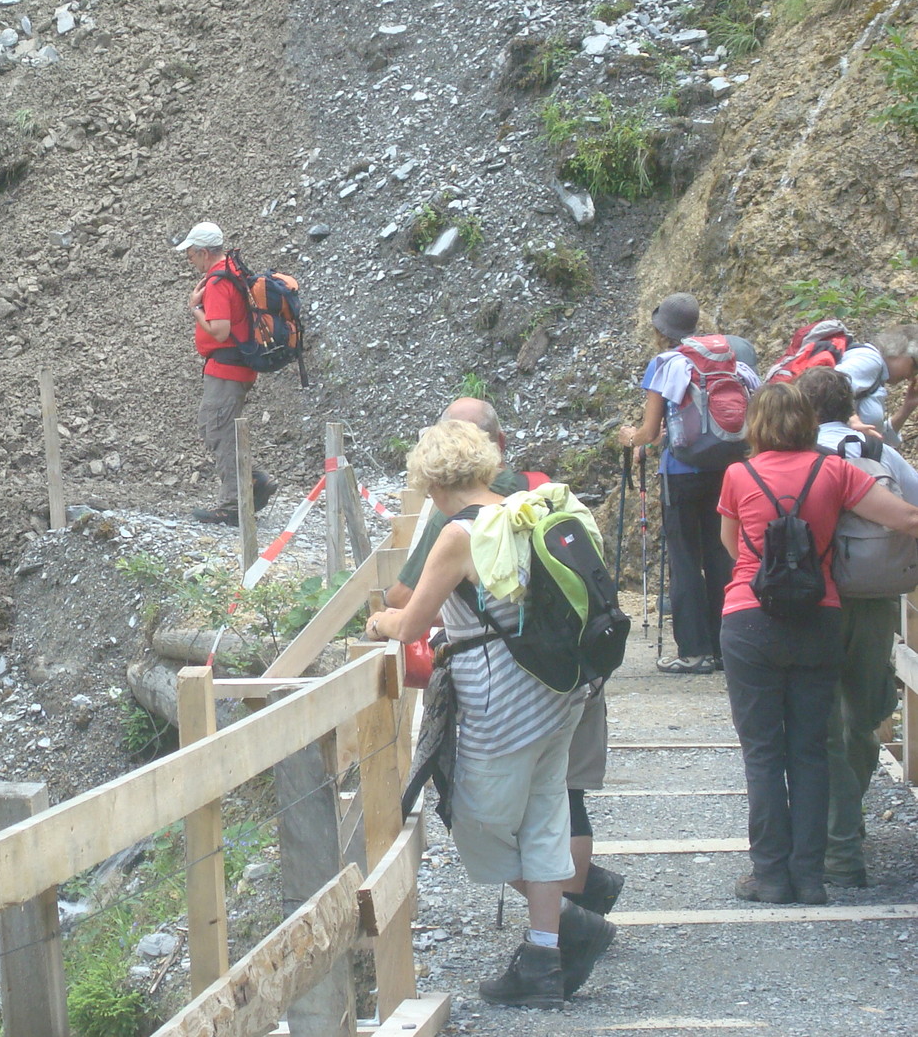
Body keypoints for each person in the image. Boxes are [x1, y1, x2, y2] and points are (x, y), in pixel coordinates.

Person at [367, 420, 608, 1009]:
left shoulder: (459, 534)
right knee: (545, 814)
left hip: (501, 698)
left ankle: (570, 927)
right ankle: (544, 957)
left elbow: (412, 622)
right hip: (560, 693)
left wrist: (377, 623)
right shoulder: (524, 510)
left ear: (428, 480)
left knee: (471, 815)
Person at [716, 384, 918, 905]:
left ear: (756, 425)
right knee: (809, 752)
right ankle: (810, 878)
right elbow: (905, 518)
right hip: (819, 618)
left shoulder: (739, 474)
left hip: (749, 619)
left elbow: (732, 546)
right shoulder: (835, 470)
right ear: (809, 421)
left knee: (763, 753)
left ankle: (770, 876)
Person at [793, 367, 918, 887]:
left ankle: (840, 842)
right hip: (873, 599)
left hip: (815, 600)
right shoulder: (877, 453)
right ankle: (847, 825)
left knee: (821, 726)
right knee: (861, 718)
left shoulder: (792, 458)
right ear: (851, 408)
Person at [618, 293, 758, 674]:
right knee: (721, 556)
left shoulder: (666, 363)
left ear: (661, 330)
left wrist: (630, 437)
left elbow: (648, 432)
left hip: (681, 475)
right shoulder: (724, 357)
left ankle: (693, 652)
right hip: (726, 471)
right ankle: (723, 647)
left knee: (684, 562)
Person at [177, 221, 275, 524]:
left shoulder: (218, 282)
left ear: (204, 252)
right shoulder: (233, 271)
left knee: (218, 430)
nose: (189, 260)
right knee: (217, 427)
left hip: (227, 367)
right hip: (235, 366)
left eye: (191, 254)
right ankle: (256, 481)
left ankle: (233, 504)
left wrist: (196, 309)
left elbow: (220, 331)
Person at [837, 325, 918, 447]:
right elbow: (827, 384)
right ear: (901, 350)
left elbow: (878, 439)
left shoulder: (876, 379)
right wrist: (851, 418)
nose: (911, 377)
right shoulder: (870, 360)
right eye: (915, 367)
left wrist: (907, 408)